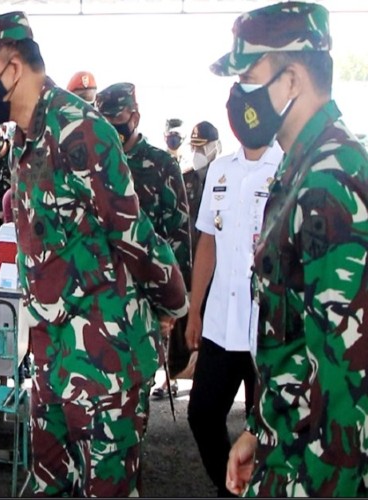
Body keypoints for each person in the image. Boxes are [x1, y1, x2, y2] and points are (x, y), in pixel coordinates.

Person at [0, 12, 188, 496]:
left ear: (13, 68)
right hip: (51, 360)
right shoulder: (25, 137)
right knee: (50, 488)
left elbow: (132, 233)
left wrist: (173, 304)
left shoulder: (80, 130)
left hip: (105, 361)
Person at [211, 3, 368, 497]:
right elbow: (295, 338)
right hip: (289, 451)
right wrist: (262, 430)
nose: (238, 94)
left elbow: (349, 384)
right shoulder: (298, 169)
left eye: (249, 75)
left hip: (320, 472)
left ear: (293, 78)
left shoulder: (331, 180)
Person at [184, 139, 283, 497]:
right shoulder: (220, 169)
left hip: (269, 330)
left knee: (269, 427)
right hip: (221, 324)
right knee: (202, 414)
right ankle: (233, 489)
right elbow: (208, 239)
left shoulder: (286, 168)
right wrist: (195, 309)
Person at [96, 82, 193, 399]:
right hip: (100, 294)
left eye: (116, 118)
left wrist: (172, 306)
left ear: (134, 117)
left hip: (146, 298)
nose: (111, 127)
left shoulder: (161, 164)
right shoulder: (94, 164)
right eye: (104, 120)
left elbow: (178, 235)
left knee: (135, 391)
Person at [183, 121, 222, 257]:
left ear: (215, 146)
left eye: (202, 147)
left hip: (215, 254)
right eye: (194, 147)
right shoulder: (185, 178)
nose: (197, 152)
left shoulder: (225, 179)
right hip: (189, 252)